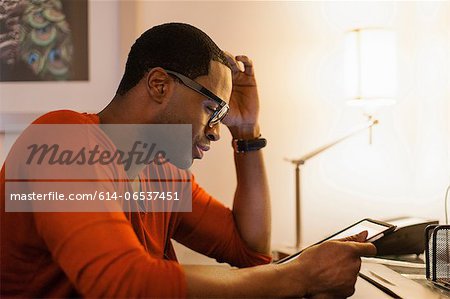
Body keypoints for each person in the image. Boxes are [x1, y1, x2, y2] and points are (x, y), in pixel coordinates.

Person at [0, 22, 376, 298]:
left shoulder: (160, 171)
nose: (216, 129)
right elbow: (124, 284)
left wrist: (246, 131)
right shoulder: (59, 140)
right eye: (212, 109)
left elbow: (249, 250)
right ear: (159, 85)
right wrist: (301, 277)